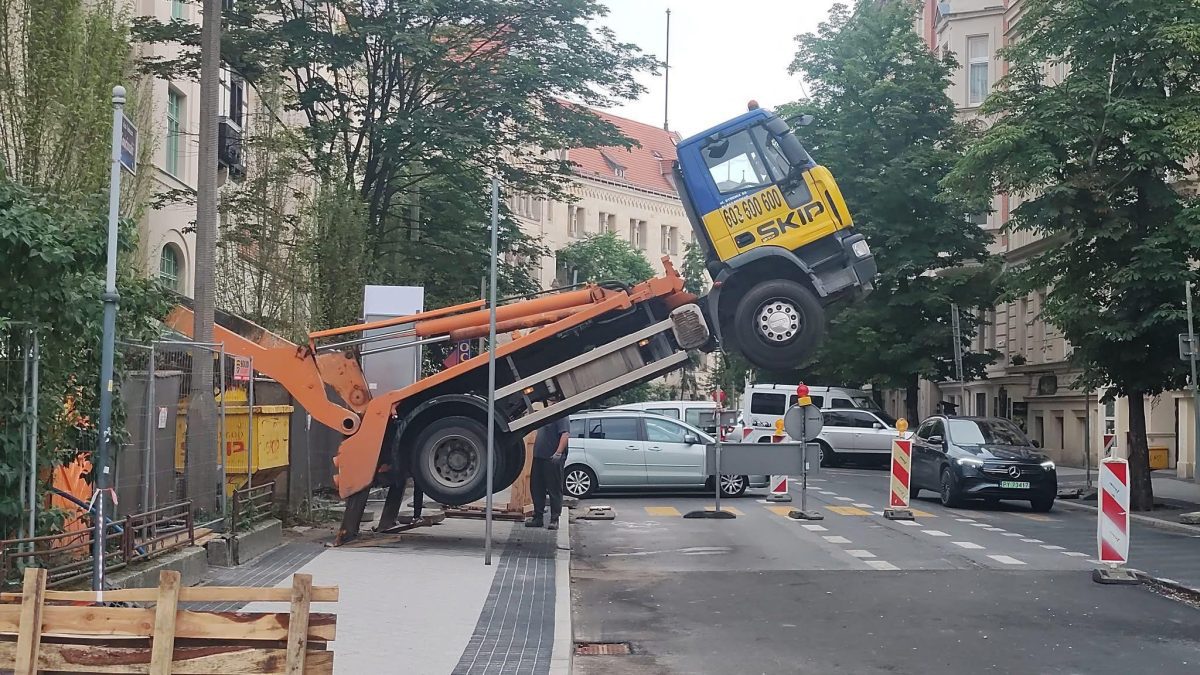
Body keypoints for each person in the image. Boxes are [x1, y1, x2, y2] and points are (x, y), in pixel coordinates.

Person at [526, 407, 569, 530]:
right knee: (536, 488)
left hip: (552, 458)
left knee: (554, 489)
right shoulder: (546, 414)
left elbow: (565, 434)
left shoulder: (561, 414)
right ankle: (538, 517)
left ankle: (554, 519)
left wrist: (558, 453)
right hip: (539, 457)